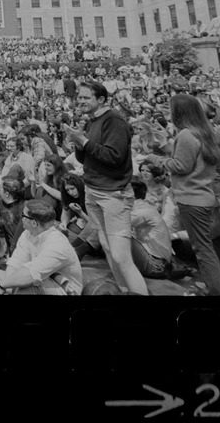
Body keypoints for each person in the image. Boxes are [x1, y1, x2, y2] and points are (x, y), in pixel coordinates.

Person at [63, 80, 149, 295]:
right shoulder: (91, 121)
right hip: (94, 191)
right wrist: (77, 140)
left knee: (122, 256)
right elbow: (84, 157)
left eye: (85, 98)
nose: (79, 101)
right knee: (108, 248)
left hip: (113, 195)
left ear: (100, 99)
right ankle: (122, 291)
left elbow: (115, 157)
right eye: (79, 97)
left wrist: (84, 141)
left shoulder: (114, 121)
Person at [142, 93, 220, 295]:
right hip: (205, 197)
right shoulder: (205, 132)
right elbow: (193, 160)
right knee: (207, 247)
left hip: (192, 199)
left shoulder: (186, 134)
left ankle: (215, 290)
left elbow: (181, 165)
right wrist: (164, 145)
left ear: (179, 111)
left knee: (203, 250)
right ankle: (213, 285)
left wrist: (154, 158)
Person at [0, 198, 83, 295]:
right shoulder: (27, 233)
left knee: (32, 284)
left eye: (23, 215)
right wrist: (7, 288)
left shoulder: (57, 244)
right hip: (42, 278)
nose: (21, 218)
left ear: (34, 223)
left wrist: (1, 286)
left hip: (65, 289)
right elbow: (16, 262)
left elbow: (31, 275)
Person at [128, 177, 174, 280]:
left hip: (156, 265)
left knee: (119, 233)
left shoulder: (141, 211)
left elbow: (116, 225)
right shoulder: (141, 206)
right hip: (159, 262)